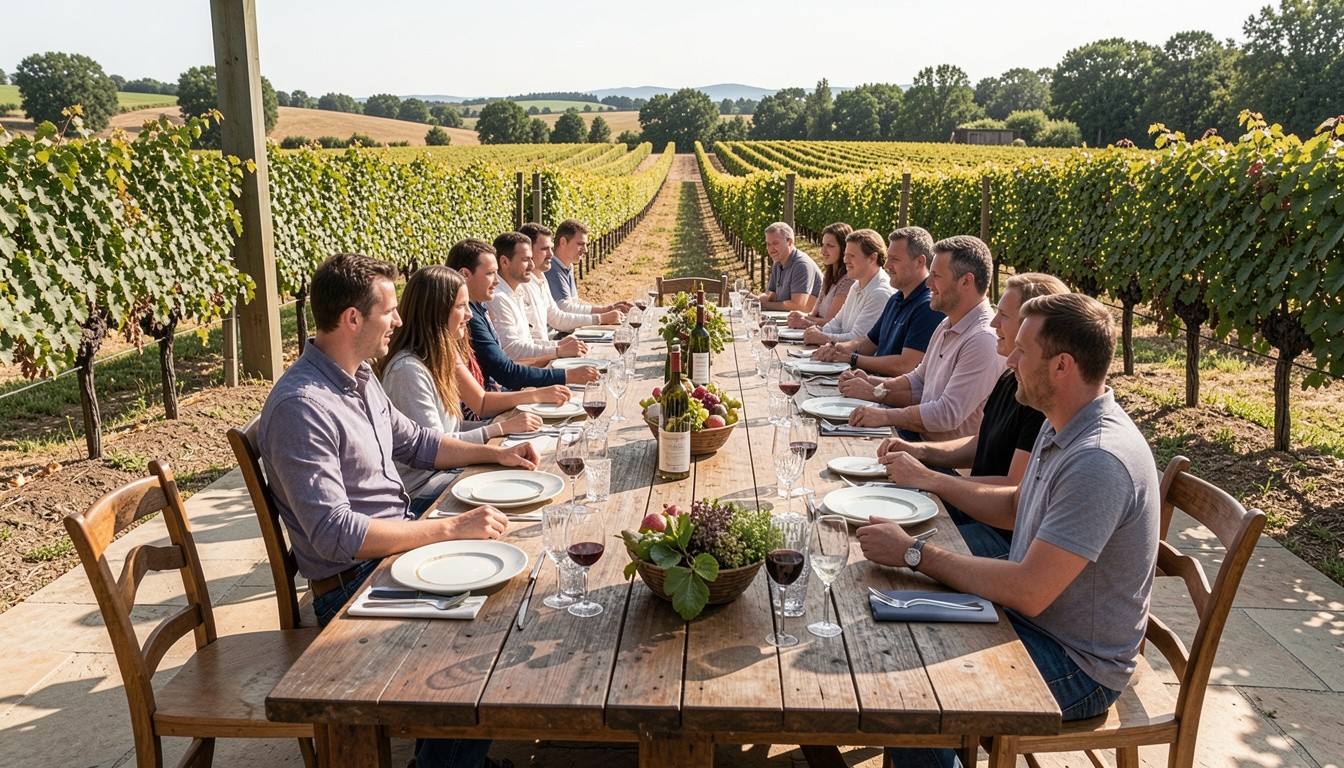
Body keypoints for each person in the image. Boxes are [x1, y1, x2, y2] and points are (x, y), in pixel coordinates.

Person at [255, 252, 538, 768]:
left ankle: (456, 759)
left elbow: (421, 444)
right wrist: (447, 528)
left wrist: (494, 451)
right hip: (352, 585)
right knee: (489, 637)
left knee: (516, 590)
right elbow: (334, 535)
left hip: (389, 559)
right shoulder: (302, 406)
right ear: (353, 319)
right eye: (390, 310)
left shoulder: (360, 377)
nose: (402, 320)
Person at [858, 292, 1160, 768]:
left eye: (1023, 350)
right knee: (888, 625)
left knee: (909, 697)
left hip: (1076, 662)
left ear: (1062, 366)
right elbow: (1017, 505)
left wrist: (915, 552)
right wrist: (929, 490)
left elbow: (1029, 590)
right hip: (1035, 621)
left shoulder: (1098, 460)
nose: (1009, 357)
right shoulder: (1062, 420)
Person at [876, 272, 1069, 556]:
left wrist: (930, 478)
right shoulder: (1012, 377)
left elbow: (1012, 492)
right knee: (880, 509)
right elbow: (981, 443)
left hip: (1000, 537)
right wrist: (918, 451)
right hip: (974, 511)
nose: (993, 322)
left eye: (1003, 315)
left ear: (1033, 326)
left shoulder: (1041, 399)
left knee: (887, 544)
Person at [378, 265, 546, 516]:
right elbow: (438, 449)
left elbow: (451, 429)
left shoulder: (435, 357)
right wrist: (497, 431)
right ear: (435, 312)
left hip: (446, 474)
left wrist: (502, 424)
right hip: (425, 490)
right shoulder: (408, 371)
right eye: (461, 307)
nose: (469, 315)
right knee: (516, 488)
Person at [841, 234, 1003, 442]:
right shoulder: (947, 323)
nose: (928, 283)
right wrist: (873, 384)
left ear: (966, 281)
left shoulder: (982, 340)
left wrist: (885, 415)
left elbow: (946, 414)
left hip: (943, 462)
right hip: (919, 442)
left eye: (936, 275)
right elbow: (918, 381)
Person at [448, 237, 600, 390]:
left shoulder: (480, 308)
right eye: (490, 274)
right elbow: (506, 372)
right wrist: (566, 373)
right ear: (465, 275)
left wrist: (558, 353)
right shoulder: (471, 317)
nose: (497, 281)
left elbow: (508, 364)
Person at [812, 227, 944, 377]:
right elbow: (868, 342)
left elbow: (906, 365)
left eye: (895, 259)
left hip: (891, 394)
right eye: (888, 258)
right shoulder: (896, 298)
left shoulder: (927, 306)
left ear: (920, 262)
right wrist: (837, 348)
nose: (887, 265)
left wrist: (853, 358)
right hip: (877, 385)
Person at [487, 231, 589, 365]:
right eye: (525, 260)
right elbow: (512, 350)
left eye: (531, 258)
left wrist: (556, 345)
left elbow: (527, 342)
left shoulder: (517, 291)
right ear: (505, 262)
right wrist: (558, 350)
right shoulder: (498, 298)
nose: (532, 265)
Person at [519, 222, 623, 338]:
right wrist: (602, 315)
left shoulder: (542, 278)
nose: (550, 254)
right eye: (545, 249)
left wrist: (603, 314)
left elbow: (558, 316)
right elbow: (563, 310)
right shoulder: (541, 275)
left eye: (550, 248)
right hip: (548, 344)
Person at [799, 228, 893, 345]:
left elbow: (858, 340)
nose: (845, 260)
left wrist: (823, 337)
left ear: (872, 258)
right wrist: (817, 330)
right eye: (845, 255)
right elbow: (837, 324)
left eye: (851, 256)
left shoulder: (880, 293)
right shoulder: (856, 285)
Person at [544, 218, 632, 315]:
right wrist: (605, 311)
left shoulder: (567, 266)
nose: (585, 250)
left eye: (586, 245)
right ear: (563, 242)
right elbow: (564, 309)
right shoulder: (551, 268)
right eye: (580, 244)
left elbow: (575, 302)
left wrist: (609, 308)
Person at [785, 222, 854, 329]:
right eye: (823, 245)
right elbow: (814, 313)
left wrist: (804, 320)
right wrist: (799, 316)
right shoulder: (828, 275)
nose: (823, 251)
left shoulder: (848, 280)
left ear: (844, 248)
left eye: (830, 246)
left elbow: (831, 322)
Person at [754, 221, 822, 312]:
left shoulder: (801, 265)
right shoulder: (777, 263)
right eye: (768, 244)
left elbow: (798, 305)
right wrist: (756, 299)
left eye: (775, 243)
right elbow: (770, 296)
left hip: (810, 323)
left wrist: (763, 305)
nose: (770, 249)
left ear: (789, 242)